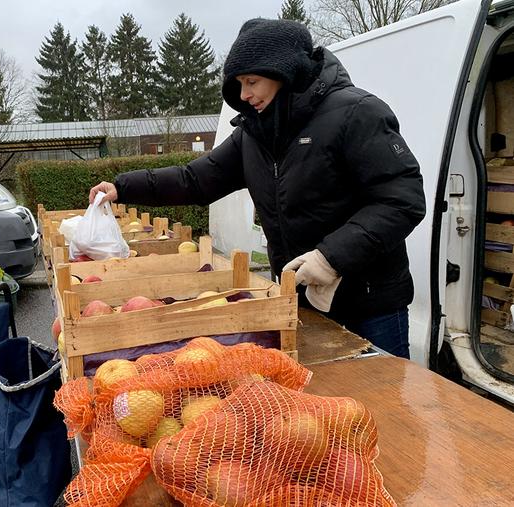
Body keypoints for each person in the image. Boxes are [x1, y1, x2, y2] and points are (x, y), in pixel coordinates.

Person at [89, 19, 426, 359]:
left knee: (384, 407)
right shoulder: (255, 134)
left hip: (370, 305)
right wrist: (121, 187)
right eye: (238, 83)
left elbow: (401, 200)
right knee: (319, 404)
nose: (244, 94)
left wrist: (331, 257)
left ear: (285, 72)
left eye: (252, 81)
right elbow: (196, 179)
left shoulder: (357, 114)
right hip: (302, 297)